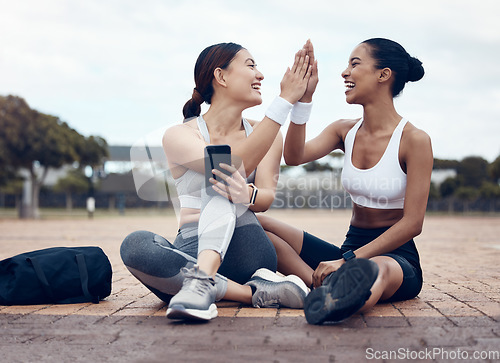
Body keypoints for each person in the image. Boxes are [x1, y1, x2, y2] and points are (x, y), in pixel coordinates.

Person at [120, 41, 317, 321]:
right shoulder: (179, 134)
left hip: (246, 247)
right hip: (189, 248)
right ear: (221, 76)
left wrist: (246, 194)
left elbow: (265, 197)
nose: (260, 75)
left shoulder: (267, 133)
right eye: (251, 65)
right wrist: (282, 102)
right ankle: (250, 293)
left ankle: (202, 283)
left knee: (221, 179)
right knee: (135, 246)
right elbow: (230, 166)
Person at [258, 38, 432, 324]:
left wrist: (348, 261)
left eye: (355, 64)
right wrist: (304, 98)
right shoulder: (344, 130)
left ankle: (344, 296)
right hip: (348, 251)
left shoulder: (414, 140)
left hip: (396, 260)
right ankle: (317, 288)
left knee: (376, 269)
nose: (344, 73)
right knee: (257, 225)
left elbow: (413, 223)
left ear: (383, 75)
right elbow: (294, 155)